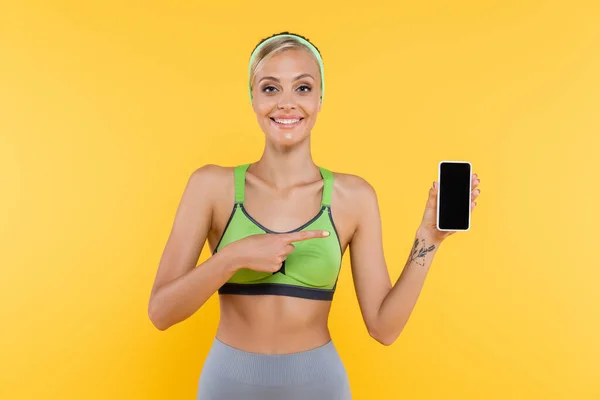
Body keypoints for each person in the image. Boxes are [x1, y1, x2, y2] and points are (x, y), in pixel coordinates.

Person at [147, 31, 481, 400]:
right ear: (253, 98)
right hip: (227, 384)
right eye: (271, 88)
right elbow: (161, 313)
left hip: (319, 385)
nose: (287, 103)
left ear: (321, 98)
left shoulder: (353, 198)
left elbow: (384, 328)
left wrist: (428, 239)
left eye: (302, 88)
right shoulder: (211, 187)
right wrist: (233, 257)